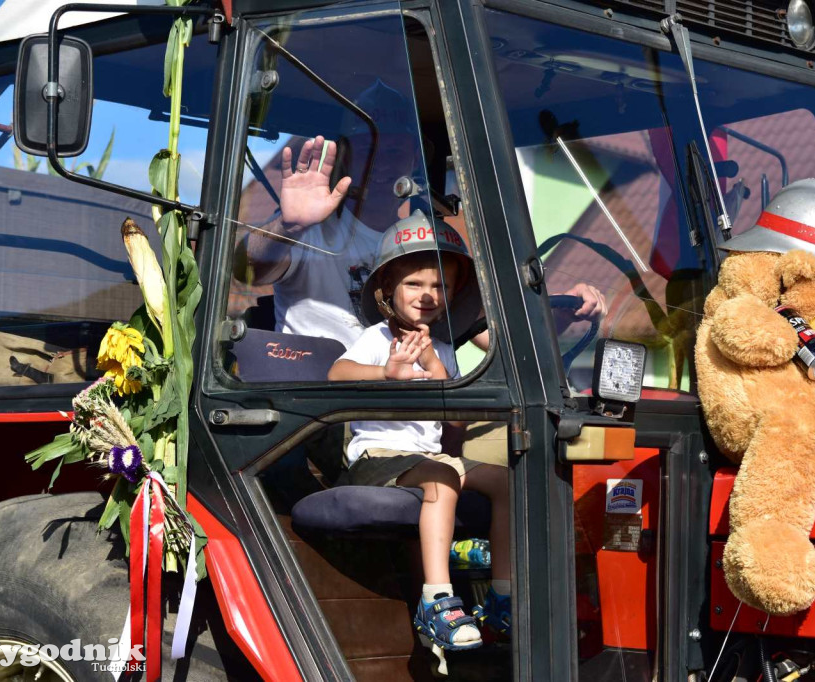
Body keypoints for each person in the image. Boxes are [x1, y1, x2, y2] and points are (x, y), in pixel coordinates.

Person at [237, 79, 607, 353]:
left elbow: (491, 334)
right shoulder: (312, 232)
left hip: (412, 407)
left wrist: (567, 310)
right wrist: (288, 225)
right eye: (368, 147)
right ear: (346, 154)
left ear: (414, 158)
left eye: (396, 148)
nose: (381, 160)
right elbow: (247, 268)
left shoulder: (430, 244)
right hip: (325, 410)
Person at [328, 215, 509, 650]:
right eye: (414, 284)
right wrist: (387, 371)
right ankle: (437, 601)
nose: (427, 295)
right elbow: (337, 373)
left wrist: (432, 365)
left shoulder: (442, 348)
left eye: (439, 286)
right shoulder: (379, 337)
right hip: (379, 460)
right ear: (388, 288)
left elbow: (456, 423)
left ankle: (503, 595)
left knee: (508, 480)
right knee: (442, 479)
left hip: (429, 459)